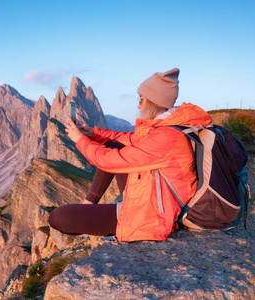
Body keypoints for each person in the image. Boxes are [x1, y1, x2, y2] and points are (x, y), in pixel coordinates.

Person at [48, 68, 213, 242]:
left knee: (58, 217)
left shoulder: (166, 136)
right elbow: (131, 139)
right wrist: (93, 134)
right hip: (155, 196)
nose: (138, 105)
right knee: (113, 144)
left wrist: (79, 140)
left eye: (141, 100)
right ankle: (89, 203)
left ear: (153, 102)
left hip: (155, 214)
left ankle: (116, 219)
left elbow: (109, 160)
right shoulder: (167, 128)